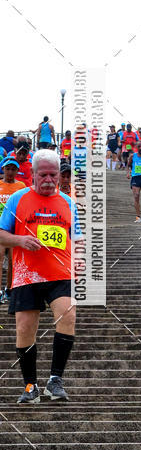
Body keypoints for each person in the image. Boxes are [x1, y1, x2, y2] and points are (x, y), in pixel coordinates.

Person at [0, 149, 82, 402]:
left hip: (60, 272)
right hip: (26, 275)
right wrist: (20, 240)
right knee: (24, 329)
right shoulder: (18, 199)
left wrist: (80, 262)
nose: (49, 180)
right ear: (33, 174)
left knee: (68, 315)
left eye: (53, 175)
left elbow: (77, 238)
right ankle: (30, 386)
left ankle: (55, 380)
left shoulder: (68, 202)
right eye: (43, 174)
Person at [0, 159, 26, 303]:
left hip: (14, 227)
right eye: (8, 169)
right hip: (0, 227)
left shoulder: (21, 186)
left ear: (17, 171)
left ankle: (9, 289)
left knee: (12, 260)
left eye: (13, 169)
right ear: (3, 169)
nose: (10, 172)